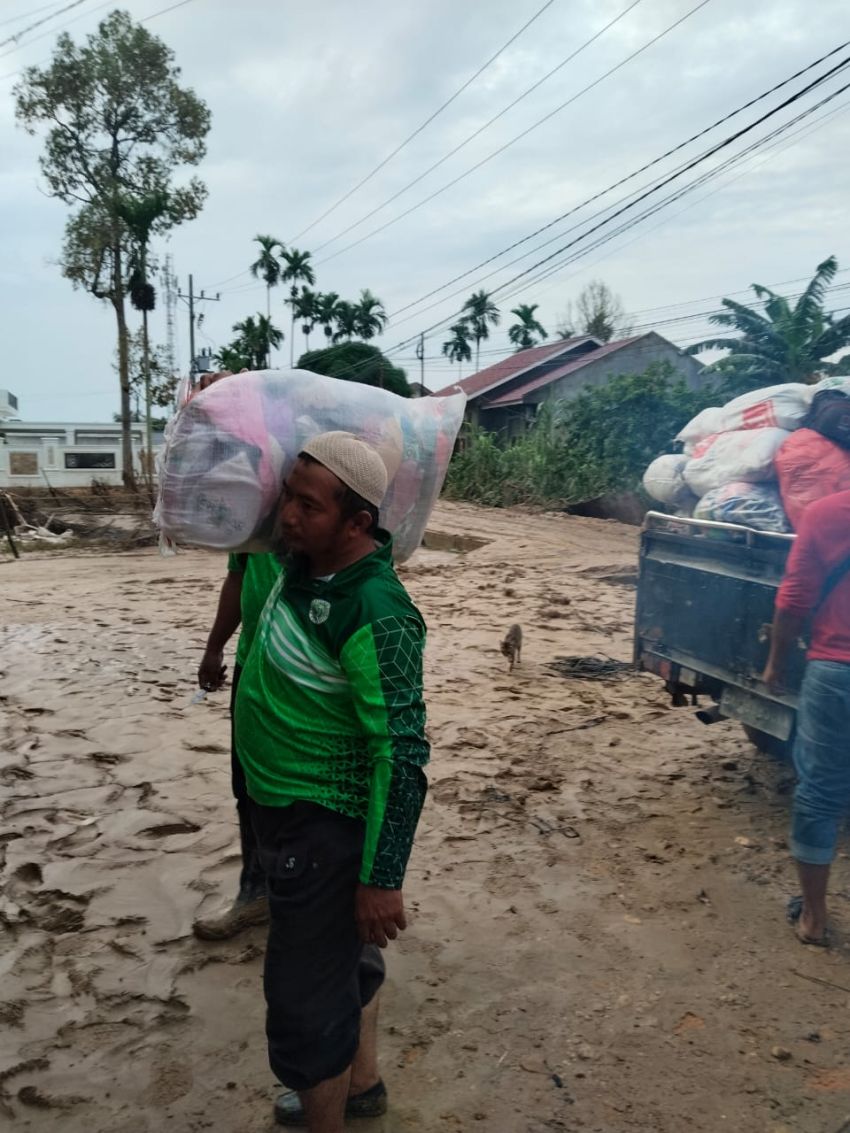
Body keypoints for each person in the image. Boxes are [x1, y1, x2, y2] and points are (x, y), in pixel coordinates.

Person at [235, 431, 429, 1133]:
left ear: (357, 524)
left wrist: (382, 877)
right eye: (288, 495)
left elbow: (402, 754)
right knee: (343, 963)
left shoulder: (375, 609)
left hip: (324, 826)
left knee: (303, 997)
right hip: (282, 811)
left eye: (307, 505)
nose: (287, 514)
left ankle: (326, 1110)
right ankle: (361, 1085)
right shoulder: (303, 563)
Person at [763, 488, 850, 947]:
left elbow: (795, 597)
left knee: (820, 792)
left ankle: (814, 918)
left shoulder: (826, 512)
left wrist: (776, 662)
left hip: (836, 671)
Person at [193, 550, 281, 940]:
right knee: (248, 785)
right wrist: (215, 647)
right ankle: (256, 891)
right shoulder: (256, 497)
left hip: (315, 667)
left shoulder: (333, 499)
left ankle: (332, 892)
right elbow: (240, 574)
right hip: (253, 664)